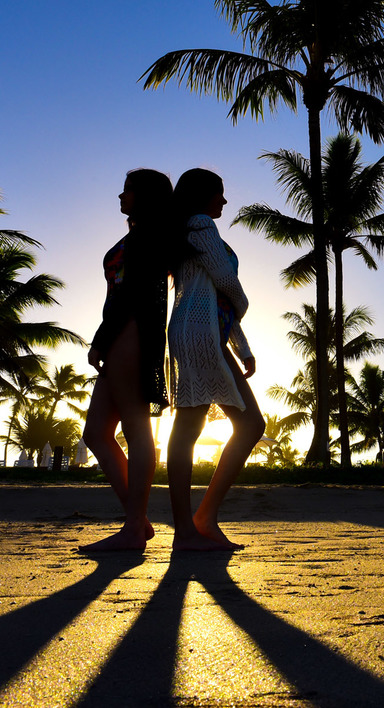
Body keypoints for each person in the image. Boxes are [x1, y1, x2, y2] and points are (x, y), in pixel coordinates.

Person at [166, 168, 266, 550]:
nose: (224, 201)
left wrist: (244, 348)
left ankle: (195, 524)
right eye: (219, 194)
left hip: (201, 332)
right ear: (203, 196)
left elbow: (217, 303)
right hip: (199, 334)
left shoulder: (190, 227)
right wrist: (245, 305)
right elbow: (227, 284)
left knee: (195, 425)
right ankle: (195, 525)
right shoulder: (200, 223)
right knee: (245, 424)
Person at [80, 168, 173, 551]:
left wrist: (101, 340)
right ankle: (138, 520)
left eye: (129, 190)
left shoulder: (150, 236)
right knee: (96, 432)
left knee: (135, 430)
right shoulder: (136, 234)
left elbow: (131, 295)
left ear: (146, 196)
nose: (121, 195)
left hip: (131, 332)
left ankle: (134, 525)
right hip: (119, 331)